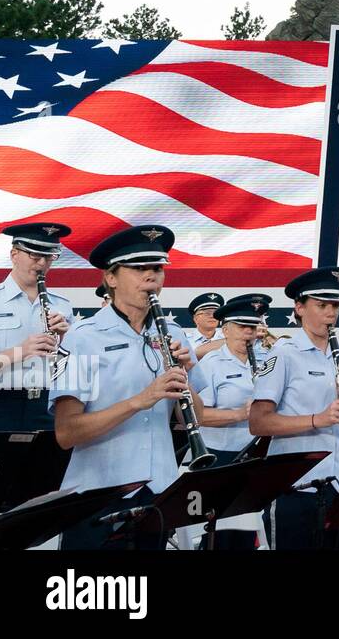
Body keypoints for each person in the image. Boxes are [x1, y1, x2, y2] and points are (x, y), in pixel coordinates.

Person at [51, 224, 208, 550]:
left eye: (157, 268)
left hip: (158, 493)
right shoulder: (82, 337)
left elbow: (196, 417)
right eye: (139, 268)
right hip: (98, 495)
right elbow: (66, 433)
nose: (152, 277)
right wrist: (142, 399)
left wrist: (185, 375)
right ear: (111, 278)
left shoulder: (175, 334)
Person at [249, 267, 339, 550]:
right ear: (300, 307)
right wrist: (320, 418)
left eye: (335, 305)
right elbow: (258, 422)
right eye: (321, 305)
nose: (330, 313)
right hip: (295, 484)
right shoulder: (283, 353)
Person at [194, 292, 275, 549]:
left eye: (253, 327)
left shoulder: (269, 360)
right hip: (222, 457)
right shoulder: (211, 364)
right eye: (242, 327)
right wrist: (241, 414)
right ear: (225, 330)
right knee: (218, 533)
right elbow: (200, 416)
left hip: (258, 455)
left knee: (249, 532)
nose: (248, 333)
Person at [0, 222, 73, 431]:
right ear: (14, 254)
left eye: (49, 257)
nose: (42, 264)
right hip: (0, 403)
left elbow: (72, 370)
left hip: (47, 403)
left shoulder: (63, 306)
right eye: (34, 256)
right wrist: (20, 351)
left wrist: (65, 342)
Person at [187, 292, 225, 360]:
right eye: (207, 313)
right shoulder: (186, 341)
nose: (212, 316)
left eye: (215, 313)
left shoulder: (228, 339)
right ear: (195, 318)